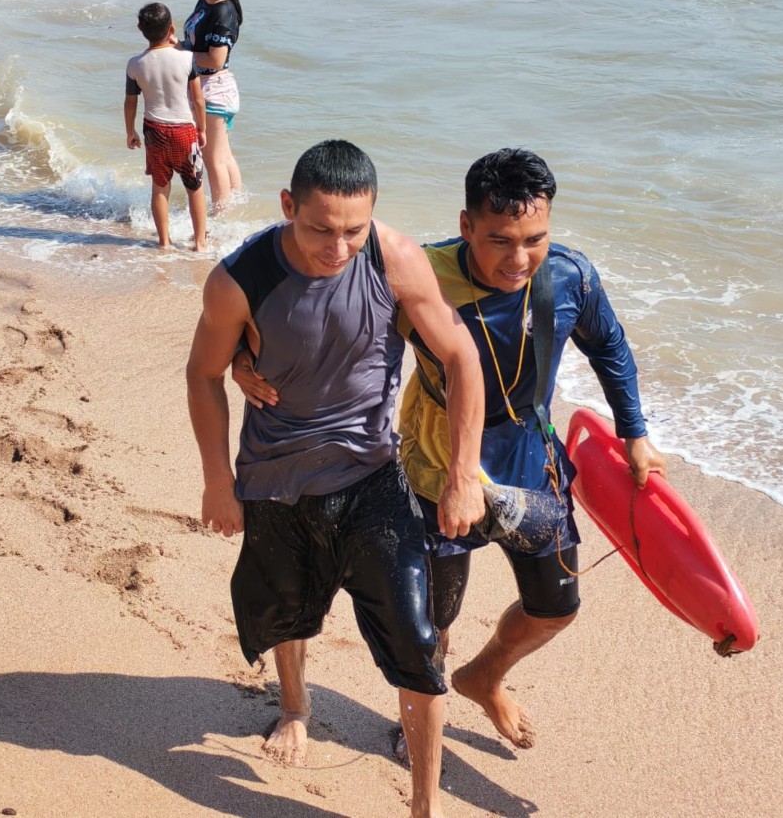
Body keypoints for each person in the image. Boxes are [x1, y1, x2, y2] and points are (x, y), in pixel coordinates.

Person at [235, 148, 667, 755]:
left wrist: (635, 432)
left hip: (530, 460)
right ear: (466, 226)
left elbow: (611, 347)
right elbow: (306, 310)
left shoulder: (570, 276)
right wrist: (241, 358)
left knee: (556, 606)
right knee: (435, 617)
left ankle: (484, 677)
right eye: (498, 241)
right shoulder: (421, 272)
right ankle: (421, 716)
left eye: (534, 239)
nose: (518, 259)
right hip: (436, 464)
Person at [186, 139, 485, 818]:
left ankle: (424, 807)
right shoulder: (239, 279)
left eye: (353, 229)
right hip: (276, 476)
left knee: (416, 640)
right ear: (288, 206)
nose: (338, 247)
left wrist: (463, 474)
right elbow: (203, 372)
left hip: (372, 473)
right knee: (287, 612)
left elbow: (461, 356)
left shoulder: (393, 256)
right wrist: (215, 481)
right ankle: (295, 706)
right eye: (320, 228)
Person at [124, 1, 207, 250]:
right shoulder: (187, 59)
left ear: (140, 29)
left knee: (160, 187)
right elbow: (198, 99)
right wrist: (201, 129)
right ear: (171, 29)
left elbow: (130, 103)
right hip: (184, 131)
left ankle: (164, 242)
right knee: (195, 187)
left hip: (154, 131)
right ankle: (200, 242)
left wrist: (130, 131)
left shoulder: (135, 65)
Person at [179, 0, 244, 209]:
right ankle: (236, 207)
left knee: (212, 157)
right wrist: (180, 46)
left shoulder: (223, 11)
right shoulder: (205, 0)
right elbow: (196, 45)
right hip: (206, 87)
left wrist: (181, 55)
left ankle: (220, 217)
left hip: (214, 88)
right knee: (224, 155)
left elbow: (216, 60)